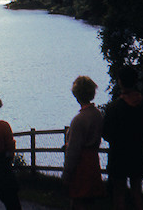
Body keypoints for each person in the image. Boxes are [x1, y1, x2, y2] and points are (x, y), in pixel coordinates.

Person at [103, 66, 143, 210]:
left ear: (120, 82)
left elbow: (106, 133)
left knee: (119, 193)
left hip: (119, 155)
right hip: (139, 154)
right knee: (136, 193)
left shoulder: (113, 108)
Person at [62, 76, 105, 210]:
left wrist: (66, 173)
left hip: (81, 165)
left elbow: (73, 151)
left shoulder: (79, 120)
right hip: (93, 161)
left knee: (78, 201)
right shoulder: (97, 115)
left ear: (76, 95)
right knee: (90, 202)